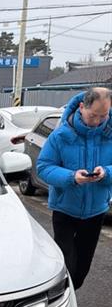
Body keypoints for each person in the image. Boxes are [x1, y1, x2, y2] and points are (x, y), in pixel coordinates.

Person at [37, 87, 112, 289]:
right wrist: (71, 177)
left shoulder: (109, 134)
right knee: (65, 265)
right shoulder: (61, 134)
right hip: (65, 209)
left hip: (96, 211)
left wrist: (106, 173)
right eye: (93, 115)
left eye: (103, 116)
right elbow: (43, 167)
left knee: (81, 271)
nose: (97, 121)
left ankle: (69, 294)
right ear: (81, 107)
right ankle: (61, 306)